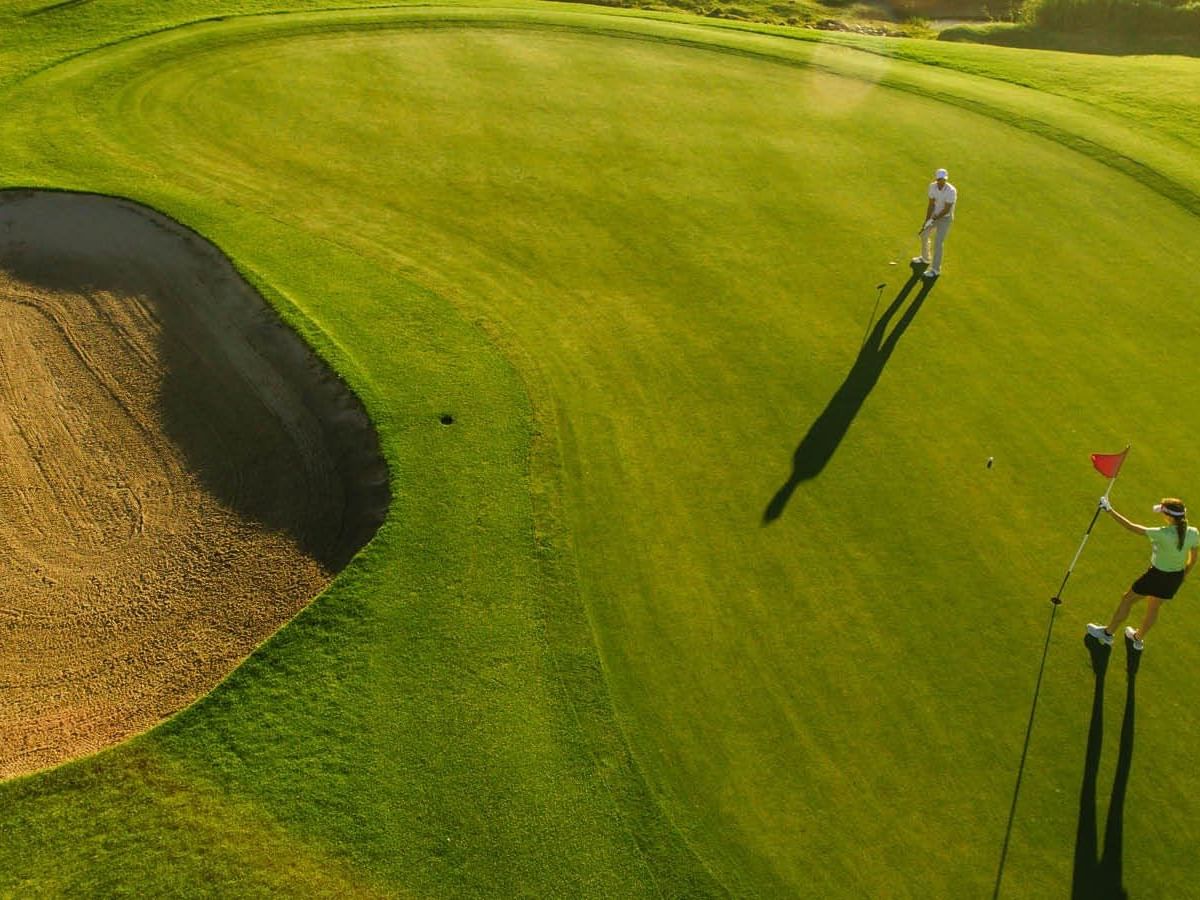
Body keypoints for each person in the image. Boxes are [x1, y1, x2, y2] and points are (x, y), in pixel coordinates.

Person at [1086, 497, 1199, 651]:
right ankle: (1137, 639)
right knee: (1154, 607)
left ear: (1170, 517)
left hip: (1156, 576)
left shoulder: (1162, 533)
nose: (1162, 515)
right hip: (1175, 578)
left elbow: (1132, 527)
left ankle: (1107, 634)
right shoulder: (1193, 532)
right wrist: (1184, 574)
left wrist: (1109, 510)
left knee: (1127, 599)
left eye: (1163, 513)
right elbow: (1193, 558)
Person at [913, 168, 956, 278]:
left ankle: (935, 270)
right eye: (940, 179)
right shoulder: (932, 187)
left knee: (938, 243)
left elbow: (947, 209)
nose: (942, 181)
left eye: (944, 179)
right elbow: (931, 204)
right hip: (934, 215)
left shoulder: (951, 191)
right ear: (937, 179)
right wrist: (927, 220)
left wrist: (934, 218)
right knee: (924, 234)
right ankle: (925, 258)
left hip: (945, 218)